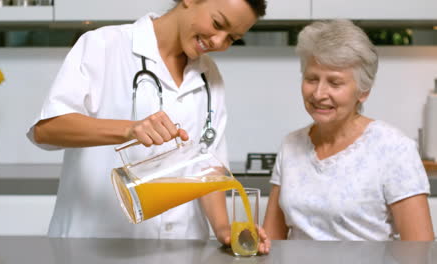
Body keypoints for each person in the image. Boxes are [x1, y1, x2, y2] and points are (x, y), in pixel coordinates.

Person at [27, 0, 270, 253]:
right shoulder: (104, 46)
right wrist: (129, 129)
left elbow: (208, 168)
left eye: (232, 38)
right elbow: (46, 130)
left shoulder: (210, 76)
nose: (219, 42)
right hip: (96, 245)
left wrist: (223, 229)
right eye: (218, 24)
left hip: (182, 250)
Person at [263, 19, 434, 241]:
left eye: (334, 83)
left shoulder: (394, 149)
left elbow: (419, 250)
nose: (319, 93)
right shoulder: (291, 145)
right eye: (312, 79)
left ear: (363, 92)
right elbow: (273, 240)